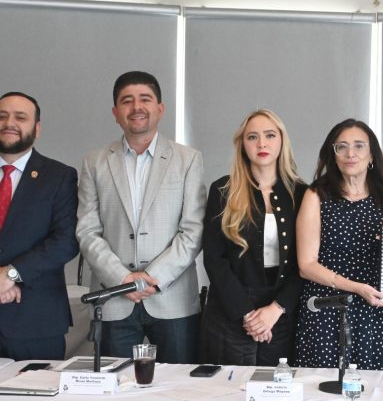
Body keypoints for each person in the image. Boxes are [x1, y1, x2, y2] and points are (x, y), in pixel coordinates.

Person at [76, 71, 206, 364]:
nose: (137, 107)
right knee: (114, 384)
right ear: (115, 113)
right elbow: (87, 231)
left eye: (145, 99)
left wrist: (153, 278)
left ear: (160, 108)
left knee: (179, 386)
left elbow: (193, 229)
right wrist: (123, 279)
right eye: (127, 101)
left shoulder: (188, 159)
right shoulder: (94, 162)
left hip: (172, 298)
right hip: (113, 297)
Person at [296, 119, 383, 371]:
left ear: (372, 155)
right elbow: (306, 265)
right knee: (320, 386)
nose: (350, 153)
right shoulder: (316, 195)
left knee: (375, 388)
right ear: (333, 155)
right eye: (342, 147)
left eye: (358, 146)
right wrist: (355, 288)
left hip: (374, 312)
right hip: (326, 307)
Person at [201, 109, 307, 365]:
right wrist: (248, 314)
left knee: (277, 385)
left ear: (282, 141)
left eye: (270, 135)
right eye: (252, 137)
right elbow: (214, 259)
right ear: (242, 144)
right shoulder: (223, 190)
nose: (261, 144)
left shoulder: (302, 194)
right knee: (229, 386)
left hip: (282, 310)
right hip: (230, 310)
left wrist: (275, 309)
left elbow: (306, 262)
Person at [0, 92, 78, 360]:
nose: (9, 123)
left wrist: (11, 274)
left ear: (37, 128)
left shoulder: (60, 176)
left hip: (35, 321)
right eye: (2, 116)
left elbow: (66, 241)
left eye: (20, 117)